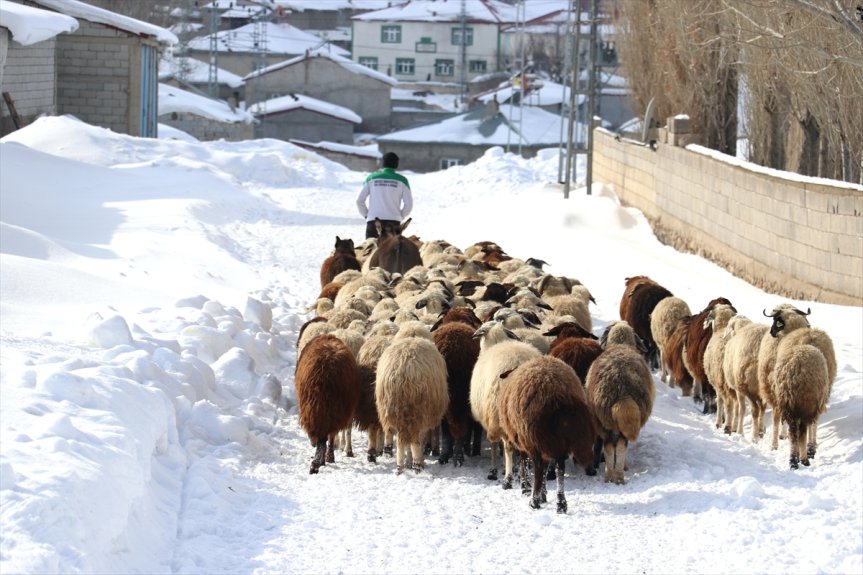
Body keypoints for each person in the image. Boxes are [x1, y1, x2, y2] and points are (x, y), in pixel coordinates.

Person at [356, 151, 413, 239]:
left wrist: (367, 215)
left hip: (374, 221)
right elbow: (408, 204)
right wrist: (400, 216)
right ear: (397, 164)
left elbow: (359, 201)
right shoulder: (402, 180)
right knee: (392, 251)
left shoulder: (371, 178)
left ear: (382, 163)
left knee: (371, 251)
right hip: (394, 223)